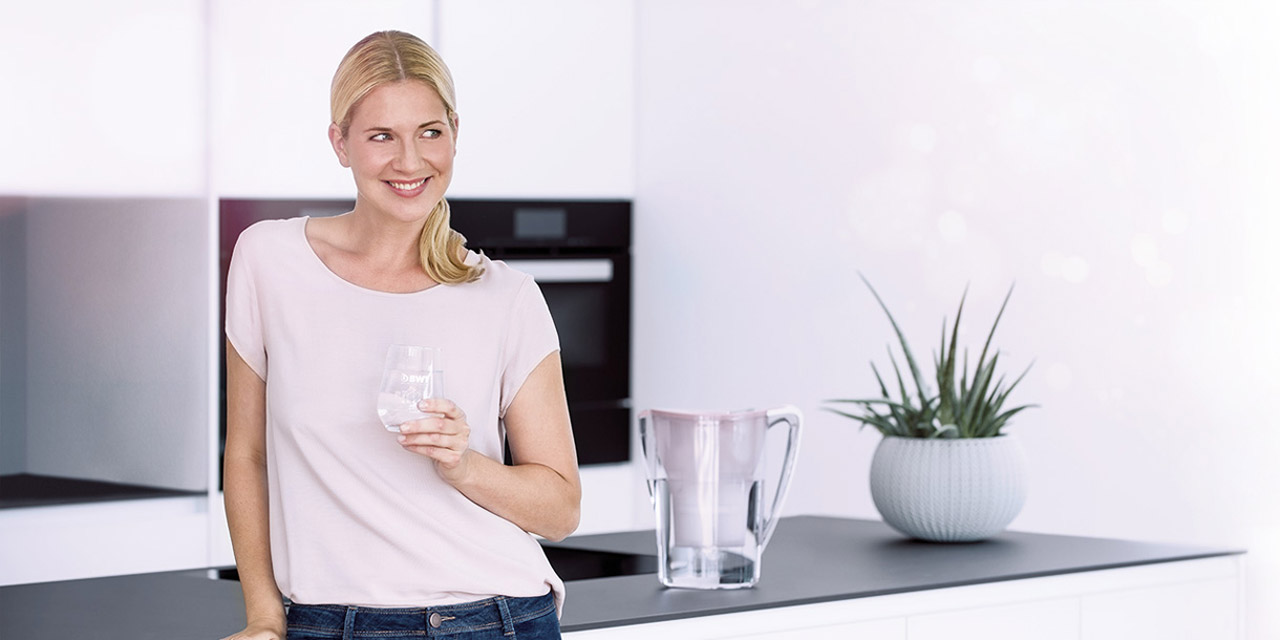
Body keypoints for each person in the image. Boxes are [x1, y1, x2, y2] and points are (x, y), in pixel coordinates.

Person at [221, 30, 580, 640]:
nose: (410, 162)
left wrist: (462, 465)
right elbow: (246, 455)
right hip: (325, 621)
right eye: (382, 136)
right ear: (340, 143)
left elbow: (561, 510)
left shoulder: (507, 297)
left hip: (491, 620)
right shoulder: (269, 260)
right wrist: (263, 617)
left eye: (429, 132)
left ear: (455, 133)